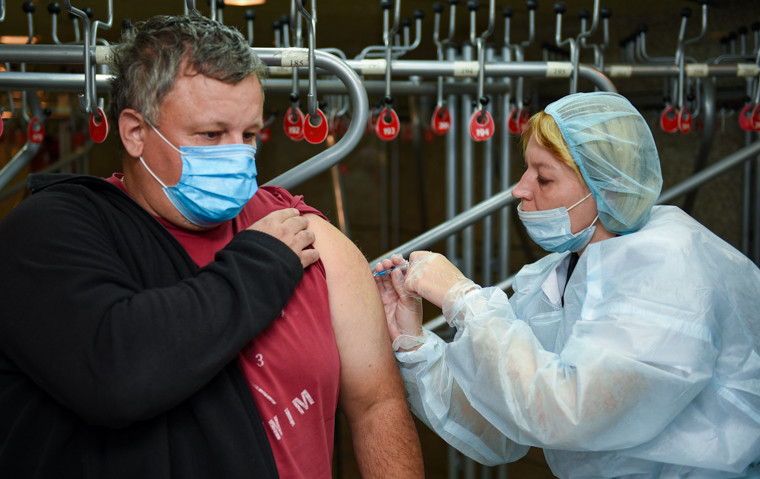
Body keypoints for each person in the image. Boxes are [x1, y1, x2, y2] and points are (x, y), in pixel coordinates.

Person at [0, 14, 423, 479]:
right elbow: (118, 373)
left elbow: (377, 405)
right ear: (135, 132)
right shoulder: (50, 233)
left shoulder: (300, 230)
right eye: (211, 135)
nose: (238, 154)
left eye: (249, 135)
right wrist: (261, 263)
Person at [375, 91, 760, 478]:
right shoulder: (562, 273)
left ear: (608, 188)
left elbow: (567, 412)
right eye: (526, 170)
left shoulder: (667, 272)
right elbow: (503, 416)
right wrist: (414, 344)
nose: (520, 189)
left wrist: (464, 300)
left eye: (543, 177)